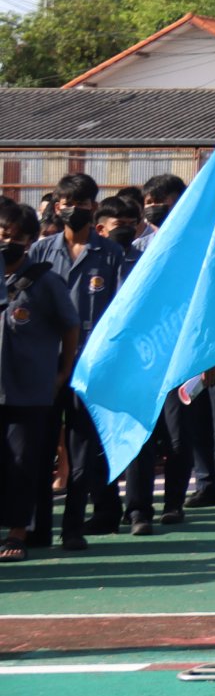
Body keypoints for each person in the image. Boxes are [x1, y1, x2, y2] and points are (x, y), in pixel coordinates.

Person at [28, 173, 127, 546]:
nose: (73, 210)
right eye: (66, 203)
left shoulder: (111, 254)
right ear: (57, 207)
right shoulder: (40, 252)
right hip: (45, 365)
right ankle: (38, 527)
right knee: (41, 448)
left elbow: (121, 313)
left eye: (81, 203)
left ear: (93, 207)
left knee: (83, 450)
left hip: (91, 367)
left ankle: (72, 527)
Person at [0, 199, 80, 563]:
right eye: (3, 233)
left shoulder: (45, 281)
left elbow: (70, 326)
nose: (7, 241)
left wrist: (63, 371)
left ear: (31, 240)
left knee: (23, 462)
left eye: (16, 236)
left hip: (29, 390)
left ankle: (18, 532)